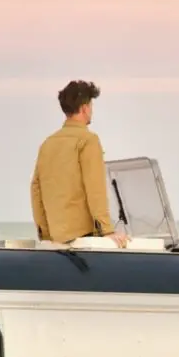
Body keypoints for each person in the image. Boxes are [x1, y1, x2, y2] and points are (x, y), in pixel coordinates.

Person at [30, 80, 128, 247]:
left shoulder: (48, 144)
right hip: (85, 237)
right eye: (91, 105)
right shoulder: (88, 140)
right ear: (84, 108)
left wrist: (46, 235)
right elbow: (94, 188)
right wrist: (107, 230)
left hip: (57, 238)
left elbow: (36, 190)